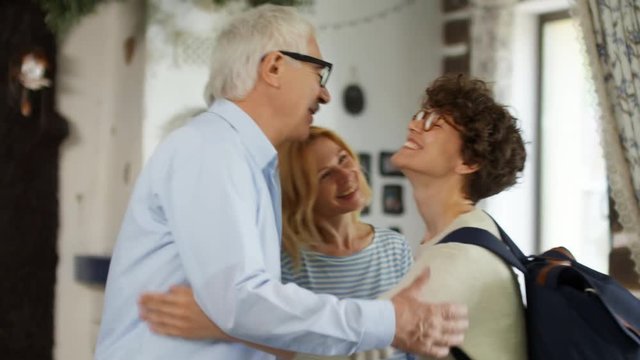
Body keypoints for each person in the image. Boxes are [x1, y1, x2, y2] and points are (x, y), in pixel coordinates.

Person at [94, 5, 468, 360]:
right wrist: (387, 320)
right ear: (274, 67)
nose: (324, 93)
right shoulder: (210, 150)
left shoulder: (244, 160)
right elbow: (242, 301)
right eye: (317, 74)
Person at [136, 74, 528, 360]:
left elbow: (361, 352)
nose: (413, 124)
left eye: (433, 124)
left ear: (468, 162)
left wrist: (222, 324)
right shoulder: (449, 242)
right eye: (419, 115)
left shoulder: (457, 259)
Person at [140, 126, 415, 359]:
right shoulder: (285, 263)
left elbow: (411, 338)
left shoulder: (395, 248)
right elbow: (290, 346)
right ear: (300, 193)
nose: (346, 176)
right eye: (325, 175)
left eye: (344, 159)